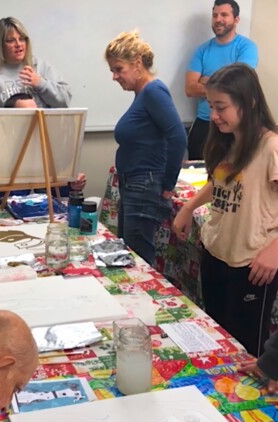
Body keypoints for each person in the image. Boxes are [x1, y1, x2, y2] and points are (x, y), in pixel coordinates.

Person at [173, 63, 278, 358]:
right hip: (217, 253)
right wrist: (188, 207)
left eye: (221, 107)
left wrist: (275, 250)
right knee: (218, 338)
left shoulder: (271, 147)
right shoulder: (230, 141)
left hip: (252, 265)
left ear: (250, 102)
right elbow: (219, 181)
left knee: (245, 349)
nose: (214, 116)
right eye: (210, 106)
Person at [105, 30, 187, 265]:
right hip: (136, 184)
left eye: (118, 69)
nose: (114, 76)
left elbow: (178, 137)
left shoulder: (153, 92)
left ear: (137, 63)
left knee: (137, 261)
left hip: (145, 186)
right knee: (128, 257)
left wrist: (168, 185)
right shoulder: (142, 94)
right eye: (112, 70)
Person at [0, 17, 71, 166]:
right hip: (5, 152)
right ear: (0, 45)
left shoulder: (41, 67)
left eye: (22, 39)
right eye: (11, 40)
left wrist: (40, 83)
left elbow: (64, 101)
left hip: (43, 147)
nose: (18, 45)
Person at [0, 92, 86, 206]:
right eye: (26, 116)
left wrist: (71, 184)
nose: (33, 121)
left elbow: (51, 185)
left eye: (37, 114)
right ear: (10, 120)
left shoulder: (44, 142)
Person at [185, 0, 258, 160]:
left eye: (224, 15)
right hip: (204, 123)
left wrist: (206, 82)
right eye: (215, 15)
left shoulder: (247, 47)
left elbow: (238, 84)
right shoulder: (202, 50)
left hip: (235, 125)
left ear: (236, 20)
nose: (218, 19)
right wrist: (221, 84)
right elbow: (190, 89)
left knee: (231, 178)